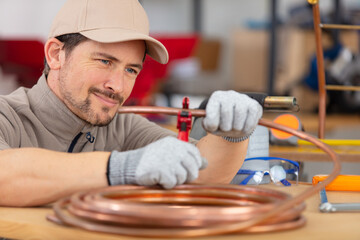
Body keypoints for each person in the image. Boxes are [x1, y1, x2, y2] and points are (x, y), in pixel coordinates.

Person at [0, 0, 262, 207]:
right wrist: (120, 168)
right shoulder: (6, 116)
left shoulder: (122, 127)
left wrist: (231, 136)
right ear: (56, 54)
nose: (119, 86)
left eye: (131, 70)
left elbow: (203, 175)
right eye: (105, 61)